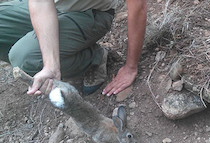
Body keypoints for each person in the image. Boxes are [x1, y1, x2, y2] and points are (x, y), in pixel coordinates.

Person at [0, 0, 147, 96]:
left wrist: (130, 67)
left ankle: (93, 58)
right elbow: (40, 3)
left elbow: (138, 8)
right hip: (54, 6)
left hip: (89, 11)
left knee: (24, 58)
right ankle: (47, 62)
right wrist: (51, 64)